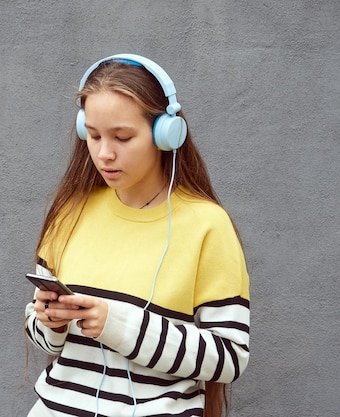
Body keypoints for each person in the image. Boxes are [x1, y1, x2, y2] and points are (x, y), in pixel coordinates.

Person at [24, 53, 250, 417]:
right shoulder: (70, 211)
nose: (104, 153)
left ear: (166, 134)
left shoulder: (207, 226)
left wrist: (118, 325)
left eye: (122, 137)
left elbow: (229, 359)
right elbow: (39, 332)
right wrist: (49, 321)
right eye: (93, 135)